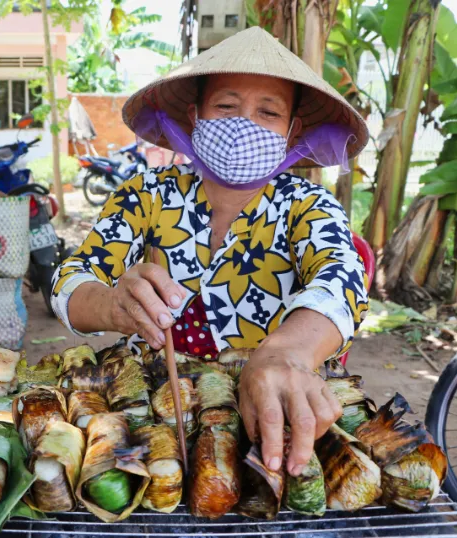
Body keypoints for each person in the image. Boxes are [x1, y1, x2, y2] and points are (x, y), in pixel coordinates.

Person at [50, 27, 370, 478]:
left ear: (292, 130)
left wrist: (285, 355)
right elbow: (69, 279)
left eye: (268, 112)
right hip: (152, 411)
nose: (245, 125)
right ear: (196, 115)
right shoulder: (146, 193)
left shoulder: (308, 205)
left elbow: (342, 283)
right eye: (226, 106)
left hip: (267, 415)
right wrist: (111, 304)